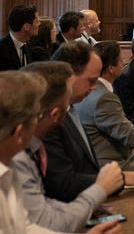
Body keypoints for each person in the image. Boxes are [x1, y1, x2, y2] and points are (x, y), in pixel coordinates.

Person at [0, 70, 122, 234]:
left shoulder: (13, 161)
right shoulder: (19, 159)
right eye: (38, 115)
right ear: (19, 133)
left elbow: (27, 225)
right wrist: (100, 189)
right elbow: (45, 221)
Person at [44, 42, 134, 203]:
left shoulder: (70, 109)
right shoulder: (51, 118)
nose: (95, 87)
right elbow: (62, 183)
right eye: (91, 80)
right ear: (69, 77)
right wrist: (121, 178)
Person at [0, 4, 40, 71]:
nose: (39, 24)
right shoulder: (2, 49)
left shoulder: (29, 45)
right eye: (37, 21)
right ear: (26, 26)